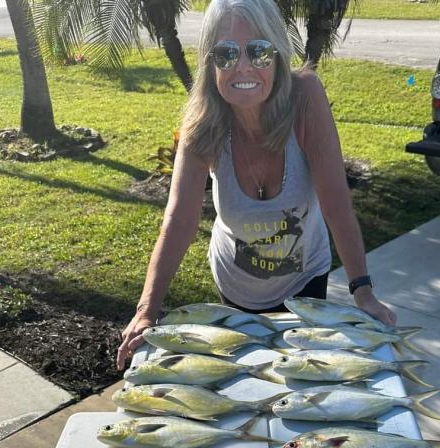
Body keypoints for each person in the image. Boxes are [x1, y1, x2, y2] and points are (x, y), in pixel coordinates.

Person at [117, 0, 396, 370]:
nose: (243, 67)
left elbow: (336, 203)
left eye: (259, 51)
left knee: (300, 377)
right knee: (248, 379)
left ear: (279, 54)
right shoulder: (202, 123)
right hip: (235, 286)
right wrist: (146, 311)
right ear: (209, 61)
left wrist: (363, 292)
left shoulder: (305, 96)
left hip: (305, 280)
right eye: (227, 53)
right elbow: (179, 219)